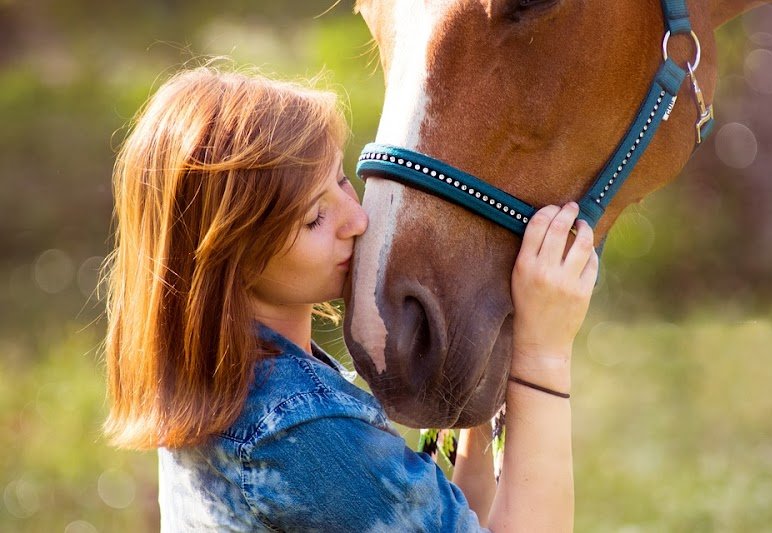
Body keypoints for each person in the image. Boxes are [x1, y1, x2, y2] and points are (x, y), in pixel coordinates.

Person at [104, 65, 598, 532]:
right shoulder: (301, 430)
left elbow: (446, 517)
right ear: (231, 259)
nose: (357, 220)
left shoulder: (221, 382)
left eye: (342, 180)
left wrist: (485, 366)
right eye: (315, 218)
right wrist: (543, 352)